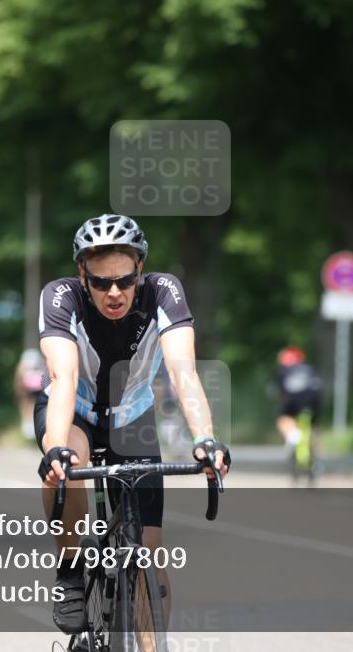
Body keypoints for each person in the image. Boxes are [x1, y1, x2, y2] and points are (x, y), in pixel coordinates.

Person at [35, 213, 231, 634]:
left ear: (140, 268)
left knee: (150, 559)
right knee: (67, 466)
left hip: (131, 417)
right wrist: (56, 450)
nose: (114, 292)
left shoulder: (164, 291)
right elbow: (62, 377)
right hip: (77, 413)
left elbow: (183, 372)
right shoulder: (60, 296)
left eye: (125, 280)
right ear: (81, 275)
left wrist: (206, 438)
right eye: (101, 282)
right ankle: (71, 573)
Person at [274, 346, 322, 455]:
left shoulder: (284, 370)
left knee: (284, 419)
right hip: (314, 398)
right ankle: (315, 453)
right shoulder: (309, 368)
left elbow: (279, 392)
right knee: (314, 425)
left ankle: (293, 436)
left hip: (294, 398)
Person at [14, 348, 46, 440]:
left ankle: (30, 431)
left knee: (31, 406)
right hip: (31, 388)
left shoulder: (26, 363)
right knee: (29, 406)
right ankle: (29, 431)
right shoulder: (38, 361)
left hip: (34, 388)